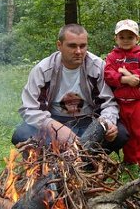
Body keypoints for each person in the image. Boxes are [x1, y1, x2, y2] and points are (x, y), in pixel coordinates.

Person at [12, 23, 129, 155]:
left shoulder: (97, 67)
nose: (78, 51)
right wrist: (54, 126)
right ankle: (57, 157)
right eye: (72, 46)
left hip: (89, 120)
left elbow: (109, 103)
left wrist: (107, 124)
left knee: (120, 135)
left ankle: (86, 162)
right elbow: (29, 108)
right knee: (20, 135)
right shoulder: (43, 69)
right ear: (59, 45)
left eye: (83, 46)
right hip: (54, 119)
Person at [104, 19, 140, 177]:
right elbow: (108, 74)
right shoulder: (112, 57)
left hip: (137, 103)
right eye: (122, 37)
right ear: (116, 38)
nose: (126, 40)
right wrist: (124, 79)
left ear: (137, 38)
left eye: (130, 37)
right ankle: (130, 159)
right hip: (120, 103)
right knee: (126, 133)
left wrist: (133, 75)